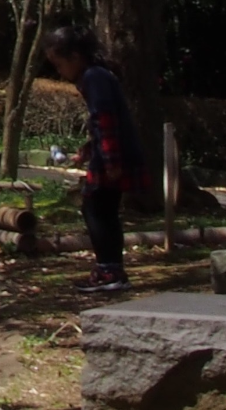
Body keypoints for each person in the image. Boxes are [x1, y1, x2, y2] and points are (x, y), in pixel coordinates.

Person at [45, 23, 149, 294]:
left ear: (75, 56)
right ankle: (110, 269)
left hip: (112, 157)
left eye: (59, 64)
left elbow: (106, 120)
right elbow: (102, 124)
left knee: (97, 209)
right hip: (107, 153)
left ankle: (109, 270)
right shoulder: (97, 76)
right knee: (102, 209)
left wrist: (111, 161)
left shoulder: (94, 77)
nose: (59, 71)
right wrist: (90, 149)